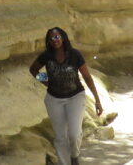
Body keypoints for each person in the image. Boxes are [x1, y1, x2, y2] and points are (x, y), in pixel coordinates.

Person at [29, 27, 103, 165]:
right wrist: (45, 80)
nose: (54, 40)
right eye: (51, 38)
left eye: (57, 37)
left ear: (63, 38)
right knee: (60, 137)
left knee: (74, 134)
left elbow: (87, 77)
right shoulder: (46, 55)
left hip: (75, 96)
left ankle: (74, 156)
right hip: (54, 99)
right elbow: (33, 69)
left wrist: (97, 101)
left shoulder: (74, 55)